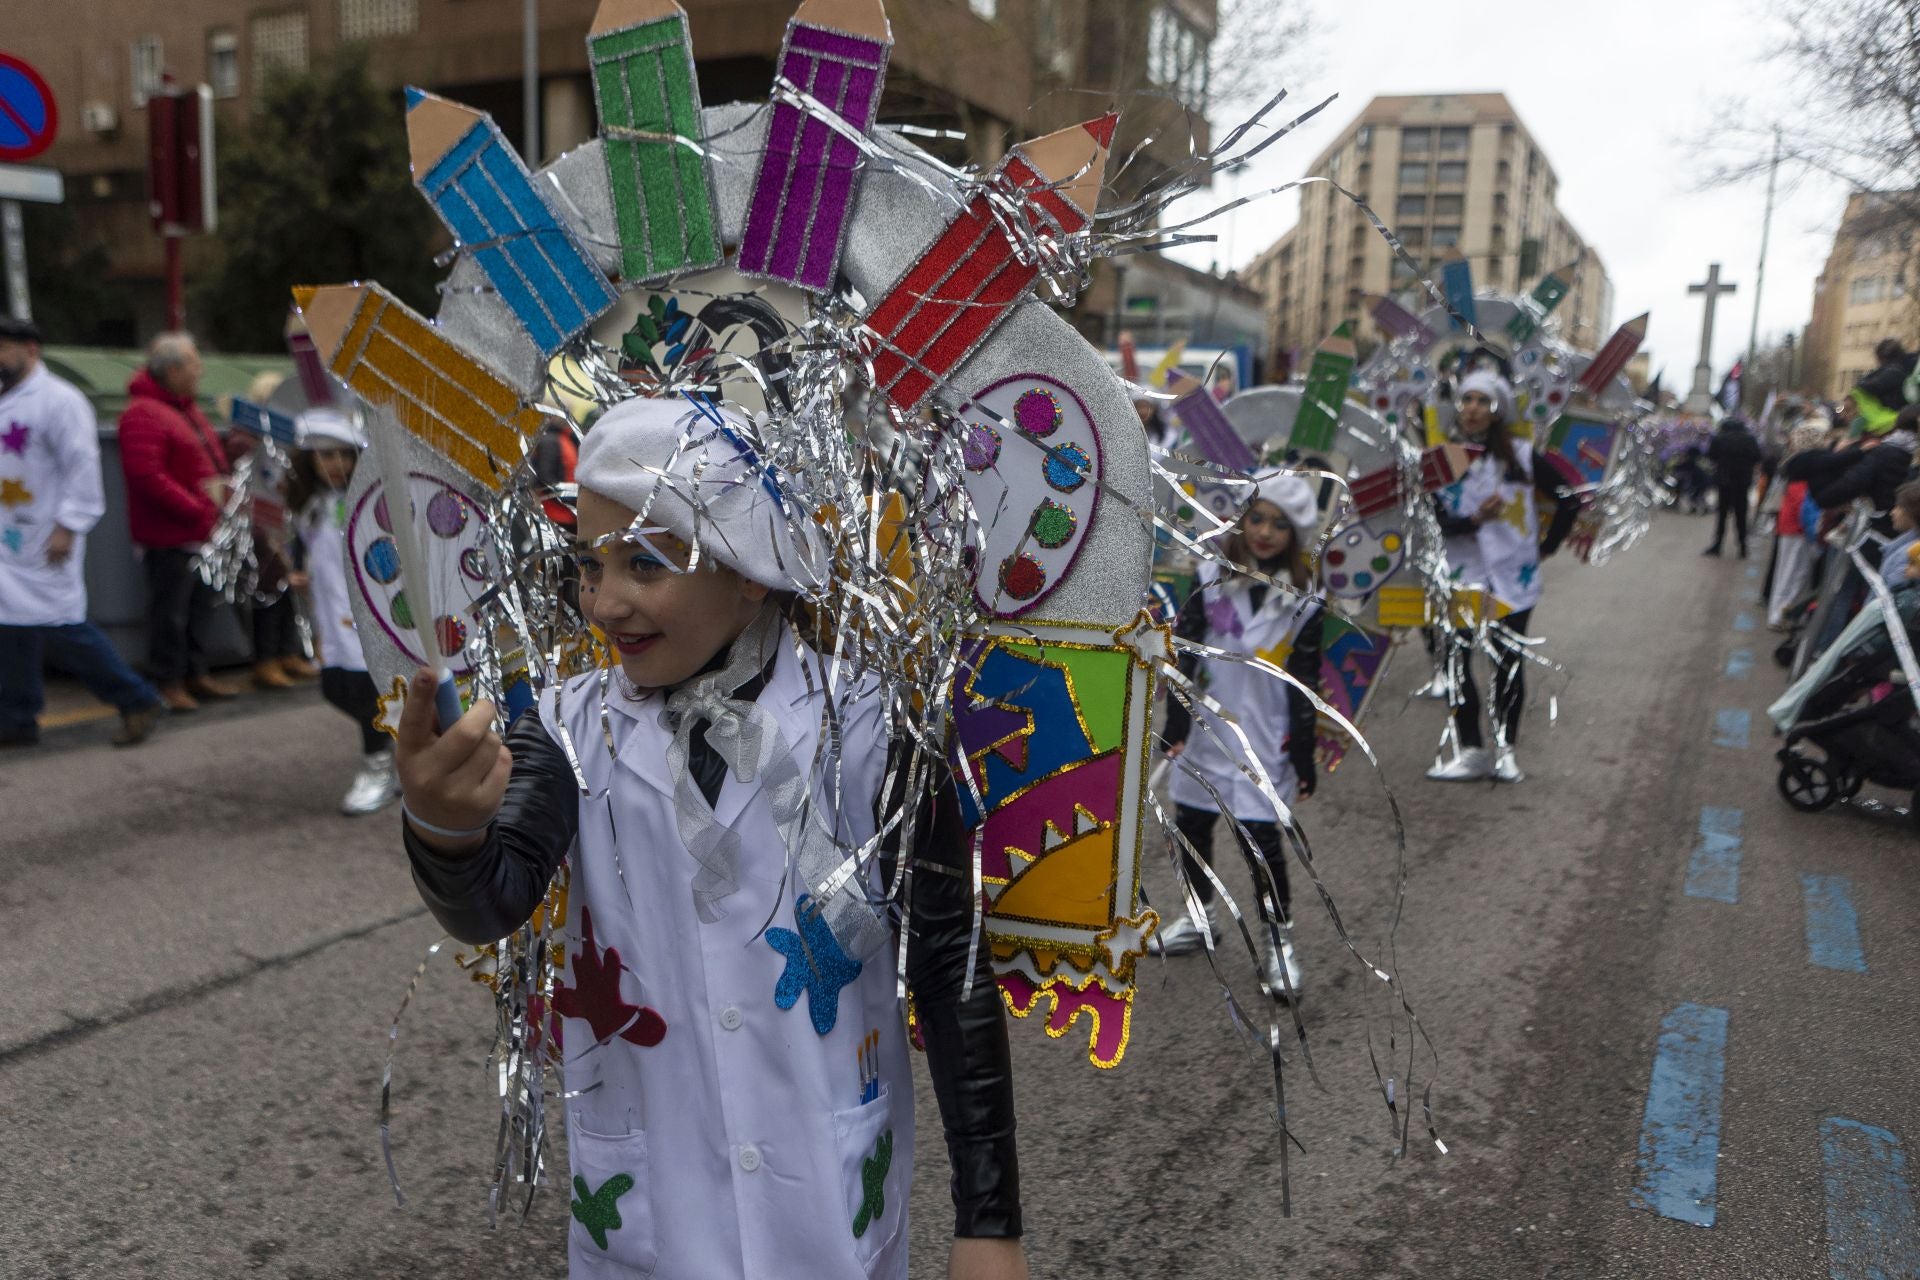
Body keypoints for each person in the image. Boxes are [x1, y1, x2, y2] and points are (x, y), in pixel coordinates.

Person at [395, 397, 1024, 1280]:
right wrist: (446, 830)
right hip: (657, 1218)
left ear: (751, 566)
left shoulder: (874, 726)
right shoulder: (570, 728)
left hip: (825, 1213)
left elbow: (950, 962)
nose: (606, 604)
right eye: (588, 566)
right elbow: (491, 900)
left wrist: (988, 1221)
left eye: (645, 564)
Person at [1155, 473, 1323, 996]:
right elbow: (1184, 655)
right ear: (1241, 519)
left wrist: (1304, 752)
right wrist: (1177, 727)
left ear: (1295, 536)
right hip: (1206, 733)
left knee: (1261, 845)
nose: (1266, 532)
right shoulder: (1209, 576)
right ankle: (1201, 916)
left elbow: (1305, 684)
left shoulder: (1305, 601)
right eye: (1258, 518)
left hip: (1263, 739)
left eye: (1280, 524)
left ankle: (1279, 943)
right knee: (1194, 827)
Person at [0, 316, 163, 747]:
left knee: (61, 624)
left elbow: (82, 466)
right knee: (10, 626)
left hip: (45, 536)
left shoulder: (60, 401)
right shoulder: (6, 398)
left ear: (30, 349)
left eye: (2, 348)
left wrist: (70, 525)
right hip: (8, 536)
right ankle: (16, 717)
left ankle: (137, 698)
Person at [1427, 369, 1576, 784]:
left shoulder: (1523, 455)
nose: (1472, 408)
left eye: (1482, 402)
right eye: (1466, 400)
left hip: (1513, 578)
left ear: (1497, 411)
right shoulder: (1442, 460)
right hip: (1463, 575)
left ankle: (1506, 750)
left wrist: (1546, 547)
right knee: (1457, 662)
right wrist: (1475, 518)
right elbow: (1435, 521)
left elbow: (1568, 500)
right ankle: (1471, 750)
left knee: (1507, 663)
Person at [119, 332, 238, 710]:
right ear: (172, 370)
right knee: (170, 611)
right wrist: (196, 508)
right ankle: (167, 679)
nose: (199, 371)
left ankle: (193, 672)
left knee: (198, 607)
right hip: (171, 533)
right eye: (193, 364)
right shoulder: (144, 413)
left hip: (200, 529)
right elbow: (147, 475)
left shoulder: (183, 408)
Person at [289, 407, 398, 815]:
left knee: (366, 692)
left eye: (343, 455)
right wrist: (301, 577)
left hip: (365, 614)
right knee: (335, 687)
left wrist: (377, 607)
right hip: (329, 617)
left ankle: (379, 769)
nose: (335, 464)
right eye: (325, 456)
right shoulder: (312, 505)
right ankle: (402, 752)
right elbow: (314, 555)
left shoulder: (373, 499)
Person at [1766, 420, 1830, 630]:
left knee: (1788, 574)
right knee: (1794, 575)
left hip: (1790, 528)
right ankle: (1782, 614)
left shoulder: (1795, 467)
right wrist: (1813, 533)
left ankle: (1782, 613)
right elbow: (1804, 507)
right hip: (1798, 531)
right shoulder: (1805, 471)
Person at [1703, 415, 1764, 557]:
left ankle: (1718, 545)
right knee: (1741, 514)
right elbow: (1758, 457)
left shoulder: (1719, 438)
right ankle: (1743, 546)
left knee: (1722, 515)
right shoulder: (1750, 439)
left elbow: (1711, 456)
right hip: (1743, 482)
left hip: (1724, 482)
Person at [1851, 337, 1917, 431]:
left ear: (1882, 357)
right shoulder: (1907, 366)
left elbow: (1869, 387)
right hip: (1899, 418)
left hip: (1892, 419)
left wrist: (1864, 379)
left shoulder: (1894, 371)